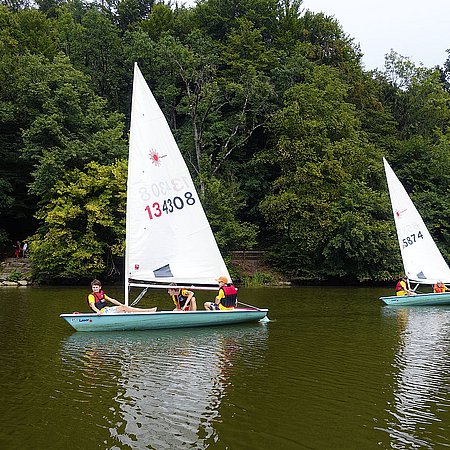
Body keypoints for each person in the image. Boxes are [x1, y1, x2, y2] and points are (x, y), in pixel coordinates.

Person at [87, 279, 157, 315]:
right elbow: (92, 305)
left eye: (96, 287)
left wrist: (121, 304)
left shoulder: (102, 294)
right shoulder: (91, 296)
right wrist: (98, 312)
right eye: (93, 287)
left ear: (100, 287)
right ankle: (147, 311)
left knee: (124, 308)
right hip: (102, 312)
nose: (95, 289)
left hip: (107, 309)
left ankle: (144, 312)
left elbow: (112, 300)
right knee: (124, 308)